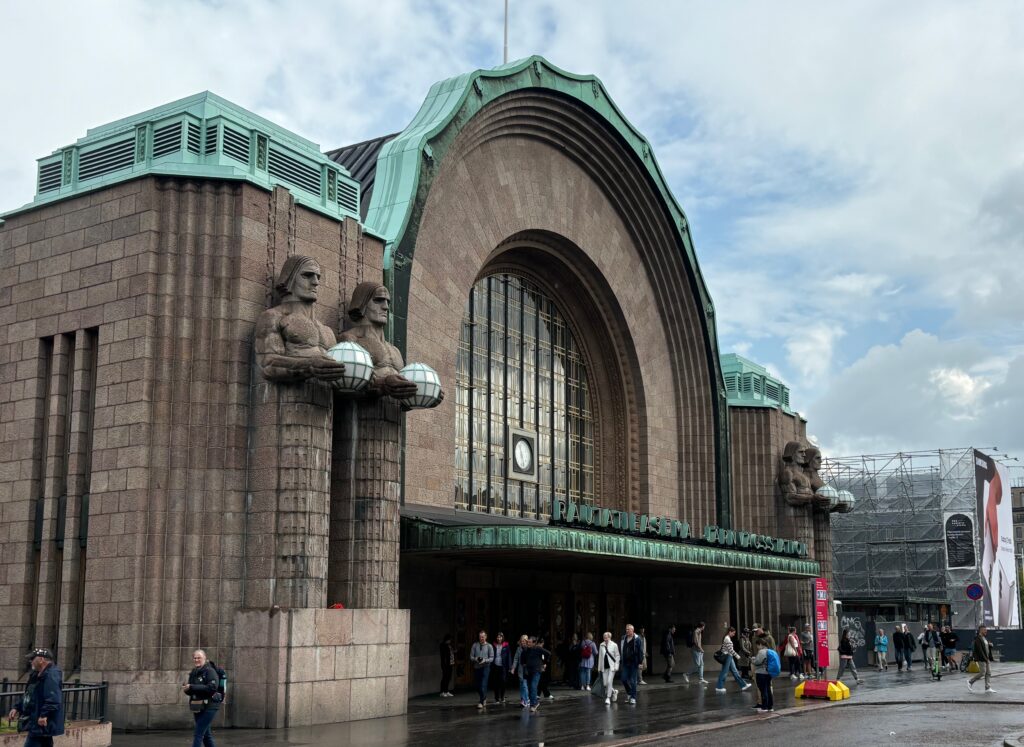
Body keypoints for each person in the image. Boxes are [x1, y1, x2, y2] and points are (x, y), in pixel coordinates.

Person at [8, 648, 64, 747]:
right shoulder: (35, 675)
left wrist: (43, 715)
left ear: (41, 659)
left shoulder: (51, 675)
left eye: (33, 658)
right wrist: (17, 707)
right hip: (36, 721)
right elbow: (29, 694)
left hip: (41, 722)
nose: (31, 661)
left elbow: (53, 699)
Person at [183, 649, 221, 747]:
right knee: (206, 735)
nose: (196, 660)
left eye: (199, 658)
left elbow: (212, 688)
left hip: (210, 706)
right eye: (195, 658)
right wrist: (187, 689)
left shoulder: (210, 671)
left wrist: (192, 687)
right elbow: (192, 690)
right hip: (198, 706)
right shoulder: (194, 672)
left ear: (204, 658)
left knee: (198, 733)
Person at [715, 626, 751, 693]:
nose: (734, 635)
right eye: (733, 633)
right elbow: (730, 650)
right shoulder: (727, 638)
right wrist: (737, 656)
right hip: (728, 656)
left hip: (729, 656)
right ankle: (719, 687)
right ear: (730, 632)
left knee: (735, 672)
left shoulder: (727, 638)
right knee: (725, 672)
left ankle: (744, 685)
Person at [522, 637, 552, 713]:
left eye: (529, 642)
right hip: (529, 672)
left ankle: (533, 705)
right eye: (527, 642)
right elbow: (522, 659)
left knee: (533, 686)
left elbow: (548, 653)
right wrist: (524, 664)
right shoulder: (526, 650)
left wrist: (545, 663)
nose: (528, 643)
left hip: (536, 671)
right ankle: (535, 702)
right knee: (529, 688)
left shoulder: (538, 648)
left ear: (534, 643)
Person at [470, 630, 494, 709]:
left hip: (485, 667)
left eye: (483, 637)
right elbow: (471, 657)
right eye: (480, 637)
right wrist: (476, 659)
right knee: (477, 686)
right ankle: (484, 697)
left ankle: (481, 701)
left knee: (483, 685)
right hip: (477, 667)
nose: (481, 638)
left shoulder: (489, 646)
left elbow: (491, 658)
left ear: (486, 637)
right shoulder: (475, 645)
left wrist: (484, 660)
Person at [619, 624, 643, 704]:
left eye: (628, 629)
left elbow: (640, 651)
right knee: (624, 679)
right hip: (625, 662)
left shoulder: (637, 639)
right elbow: (622, 649)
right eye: (626, 629)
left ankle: (633, 697)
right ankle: (629, 693)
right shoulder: (624, 638)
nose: (627, 631)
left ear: (632, 630)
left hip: (634, 663)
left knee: (633, 681)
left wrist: (640, 662)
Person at [967, 625, 995, 693]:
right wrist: (986, 659)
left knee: (988, 673)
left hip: (986, 658)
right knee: (983, 673)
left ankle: (987, 688)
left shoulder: (985, 638)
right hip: (981, 658)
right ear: (981, 630)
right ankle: (970, 682)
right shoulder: (977, 639)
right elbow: (980, 650)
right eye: (985, 630)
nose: (986, 631)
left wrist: (990, 645)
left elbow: (986, 647)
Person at [751, 640, 777, 713]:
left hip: (761, 673)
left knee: (763, 690)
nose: (757, 647)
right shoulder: (770, 651)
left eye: (757, 645)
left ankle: (764, 707)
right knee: (768, 689)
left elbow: (757, 662)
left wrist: (752, 660)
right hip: (768, 673)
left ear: (760, 644)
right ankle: (770, 706)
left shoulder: (761, 652)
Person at [597, 631, 621, 705]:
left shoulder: (614, 645)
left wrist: (616, 666)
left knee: (609, 682)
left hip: (612, 667)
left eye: (606, 637)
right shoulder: (601, 645)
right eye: (604, 637)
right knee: (605, 684)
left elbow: (617, 656)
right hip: (605, 667)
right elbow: (600, 657)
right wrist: (599, 668)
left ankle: (608, 698)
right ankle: (614, 691)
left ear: (609, 637)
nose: (605, 639)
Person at [491, 632, 511, 704]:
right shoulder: (493, 645)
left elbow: (509, 656)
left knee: (503, 682)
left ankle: (502, 697)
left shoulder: (506, 645)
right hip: (495, 665)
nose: (499, 638)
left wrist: (510, 666)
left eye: (500, 637)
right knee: (495, 682)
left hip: (503, 666)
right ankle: (496, 698)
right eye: (498, 637)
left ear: (503, 638)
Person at [511, 635, 530, 707]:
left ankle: (526, 700)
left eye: (524, 641)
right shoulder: (518, 649)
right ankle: (523, 699)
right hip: (520, 670)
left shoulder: (529, 648)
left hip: (527, 669)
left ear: (527, 641)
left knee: (525, 685)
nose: (522, 642)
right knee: (522, 685)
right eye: (521, 641)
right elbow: (516, 659)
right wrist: (513, 668)